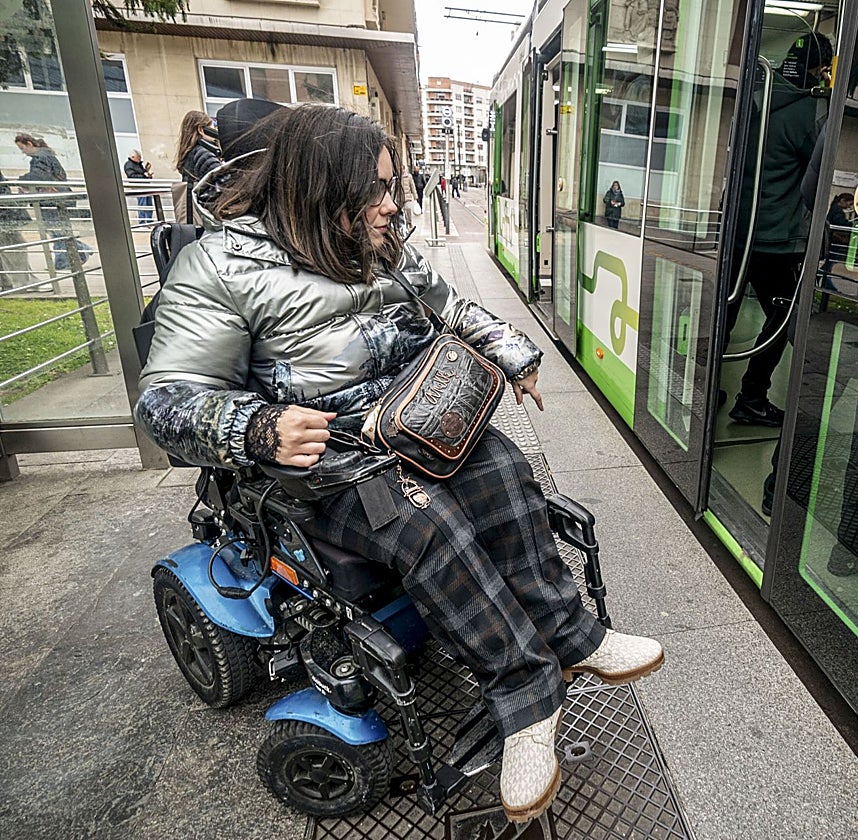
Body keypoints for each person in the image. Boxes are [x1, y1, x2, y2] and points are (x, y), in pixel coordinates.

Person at [134, 105, 663, 823]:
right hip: (330, 456)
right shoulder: (220, 266)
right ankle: (524, 695)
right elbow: (164, 402)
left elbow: (451, 308)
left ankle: (574, 636)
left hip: (413, 418)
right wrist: (257, 426)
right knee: (429, 525)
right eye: (376, 190)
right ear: (321, 191)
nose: (393, 205)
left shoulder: (376, 241)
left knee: (508, 475)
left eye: (392, 187)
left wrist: (514, 354)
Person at [724, 31, 828, 427]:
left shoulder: (754, 101)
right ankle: (752, 396)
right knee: (783, 318)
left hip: (738, 235)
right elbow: (814, 182)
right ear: (819, 71)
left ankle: (704, 389)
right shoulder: (807, 114)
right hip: (775, 241)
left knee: (726, 315)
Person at [14, 132, 92, 272]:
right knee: (58, 231)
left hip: (53, 200)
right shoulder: (46, 156)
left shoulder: (40, 158)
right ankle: (75, 255)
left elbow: (39, 177)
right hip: (56, 199)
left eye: (22, 148)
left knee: (57, 231)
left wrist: (21, 181)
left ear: (29, 144)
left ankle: (71, 257)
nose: (23, 152)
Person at [174, 110, 221, 224]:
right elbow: (223, 179)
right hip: (203, 216)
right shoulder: (202, 153)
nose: (215, 130)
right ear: (201, 129)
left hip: (194, 216)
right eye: (212, 126)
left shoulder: (190, 152)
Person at [0, 170, 32, 291]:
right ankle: (20, 283)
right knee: (15, 246)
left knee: (13, 246)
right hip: (5, 214)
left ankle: (12, 283)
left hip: (5, 213)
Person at [819, 192, 854, 289]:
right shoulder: (838, 211)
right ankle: (827, 284)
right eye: (849, 204)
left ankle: (824, 281)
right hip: (835, 241)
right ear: (842, 201)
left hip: (832, 240)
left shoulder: (833, 208)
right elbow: (841, 223)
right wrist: (852, 226)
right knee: (829, 264)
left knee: (829, 264)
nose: (849, 207)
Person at [124, 149, 154, 224]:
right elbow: (132, 176)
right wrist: (143, 175)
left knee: (149, 204)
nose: (140, 159)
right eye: (138, 157)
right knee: (142, 204)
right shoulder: (129, 165)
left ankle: (149, 220)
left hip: (145, 186)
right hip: (139, 186)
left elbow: (143, 173)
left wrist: (148, 175)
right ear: (133, 157)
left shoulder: (139, 164)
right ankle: (142, 221)